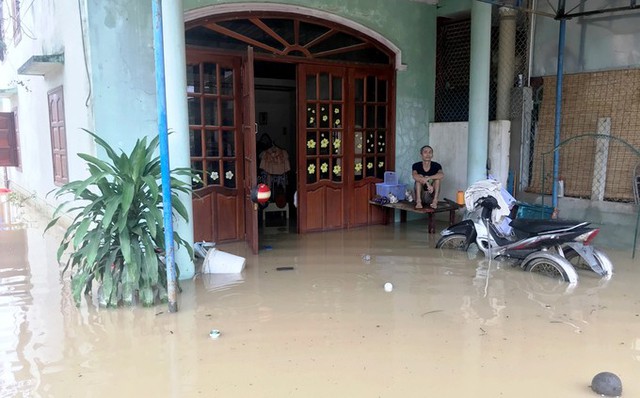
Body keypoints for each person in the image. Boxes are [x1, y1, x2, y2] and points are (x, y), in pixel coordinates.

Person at [412, 145, 444, 209]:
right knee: (419, 178)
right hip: (421, 195)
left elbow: (441, 175)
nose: (428, 154)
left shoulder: (436, 165)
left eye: (430, 152)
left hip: (431, 195)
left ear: (432, 155)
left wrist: (428, 178)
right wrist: (428, 184)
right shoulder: (416, 165)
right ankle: (418, 202)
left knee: (437, 180)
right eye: (425, 152)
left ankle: (435, 202)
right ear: (421, 154)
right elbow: (414, 176)